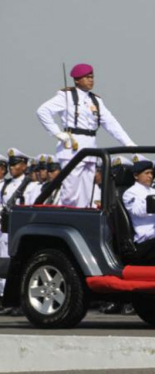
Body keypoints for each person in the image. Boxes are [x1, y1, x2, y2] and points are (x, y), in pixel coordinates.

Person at [37, 63, 137, 208]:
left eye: (92, 77)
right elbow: (42, 111)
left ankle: (82, 217)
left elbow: (110, 123)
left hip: (90, 147)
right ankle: (68, 216)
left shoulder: (95, 100)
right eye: (87, 77)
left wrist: (128, 142)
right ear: (77, 80)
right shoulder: (66, 96)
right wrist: (57, 133)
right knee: (71, 191)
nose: (91, 80)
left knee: (86, 191)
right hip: (72, 148)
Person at [122, 154, 155, 265]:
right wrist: (154, 203)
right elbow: (137, 211)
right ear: (136, 176)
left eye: (151, 173)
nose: (150, 176)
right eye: (146, 173)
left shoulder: (154, 190)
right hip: (147, 235)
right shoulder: (129, 193)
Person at [0, 148, 31, 316]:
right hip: (6, 229)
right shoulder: (7, 184)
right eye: (10, 165)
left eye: (15, 164)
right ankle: (6, 300)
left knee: (17, 264)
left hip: (19, 228)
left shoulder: (26, 184)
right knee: (4, 265)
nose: (12, 168)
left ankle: (18, 301)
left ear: (24, 165)